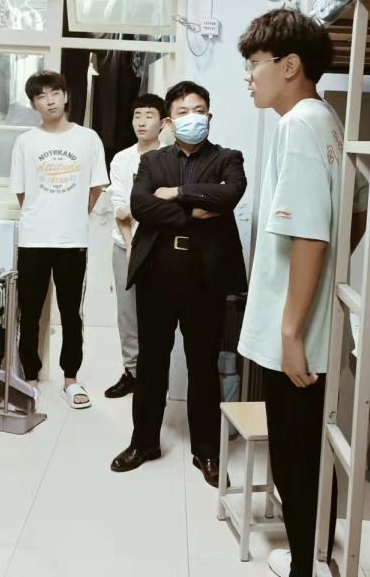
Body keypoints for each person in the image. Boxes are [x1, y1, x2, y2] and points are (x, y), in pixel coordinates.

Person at [236, 9, 368, 577]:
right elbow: (355, 214)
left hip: (295, 334)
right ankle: (311, 556)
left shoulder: (296, 126)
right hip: (314, 324)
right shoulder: (327, 119)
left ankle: (304, 569)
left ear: (289, 66)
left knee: (294, 459)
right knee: (310, 454)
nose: (248, 76)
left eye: (254, 64)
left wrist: (290, 331)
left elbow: (312, 234)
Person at [110, 81, 247, 487]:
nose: (192, 118)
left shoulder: (227, 158)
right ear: (169, 122)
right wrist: (193, 211)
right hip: (158, 272)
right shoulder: (153, 161)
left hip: (206, 276)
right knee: (151, 363)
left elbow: (229, 196)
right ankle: (144, 442)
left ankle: (206, 451)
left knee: (203, 365)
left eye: (199, 110)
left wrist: (178, 192)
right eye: (183, 112)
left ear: (210, 116)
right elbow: (141, 205)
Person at [10, 70, 108, 409]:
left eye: (55, 93)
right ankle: (30, 378)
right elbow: (22, 193)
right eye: (40, 96)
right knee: (29, 312)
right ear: (33, 103)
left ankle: (71, 379)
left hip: (72, 240)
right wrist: (43, 215)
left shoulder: (88, 139)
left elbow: (96, 187)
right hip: (33, 239)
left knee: (71, 313)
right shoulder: (26, 142)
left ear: (66, 96)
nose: (49, 101)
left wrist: (73, 216)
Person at [105, 93, 167, 399]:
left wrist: (138, 207)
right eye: (137, 116)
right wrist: (131, 243)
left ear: (163, 122)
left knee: (157, 312)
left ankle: (154, 376)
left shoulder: (169, 157)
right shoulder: (121, 158)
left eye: (149, 116)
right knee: (127, 313)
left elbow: (168, 207)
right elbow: (120, 208)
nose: (141, 122)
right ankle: (132, 372)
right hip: (124, 245)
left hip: (160, 245)